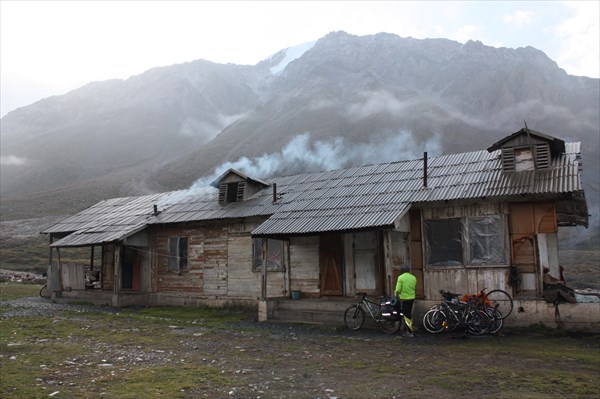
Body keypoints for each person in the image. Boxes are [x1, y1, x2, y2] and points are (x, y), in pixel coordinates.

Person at [395, 264, 417, 337]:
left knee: (406, 316)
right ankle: (408, 329)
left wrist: (396, 294)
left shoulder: (400, 278)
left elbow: (398, 289)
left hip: (404, 298)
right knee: (408, 314)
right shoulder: (413, 277)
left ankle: (410, 332)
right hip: (412, 298)